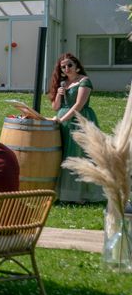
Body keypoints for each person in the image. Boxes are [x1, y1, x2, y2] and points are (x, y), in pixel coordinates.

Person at [48, 53, 102, 202]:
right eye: (63, 67)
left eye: (69, 65)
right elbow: (55, 107)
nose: (66, 68)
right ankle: (63, 192)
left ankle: (82, 194)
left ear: (77, 66)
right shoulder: (63, 83)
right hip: (63, 120)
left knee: (78, 154)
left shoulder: (84, 81)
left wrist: (61, 120)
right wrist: (59, 94)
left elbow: (79, 105)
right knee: (63, 153)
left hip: (79, 120)